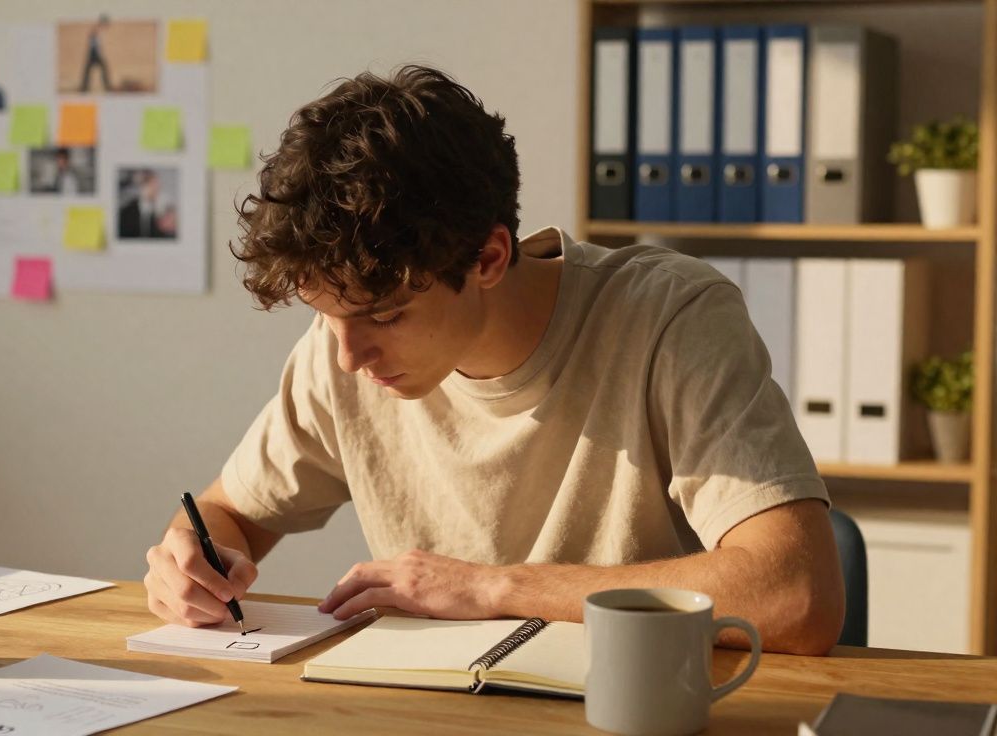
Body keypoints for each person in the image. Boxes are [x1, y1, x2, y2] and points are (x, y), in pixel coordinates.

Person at [142, 66, 845, 656]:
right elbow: (227, 511)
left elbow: (796, 593)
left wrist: (492, 589)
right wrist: (190, 560)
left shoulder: (670, 319)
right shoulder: (340, 354)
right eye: (324, 314)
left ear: (488, 257)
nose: (348, 355)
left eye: (383, 315)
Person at [117, 170, 176, 239]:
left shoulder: (163, 209)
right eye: (153, 186)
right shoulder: (128, 210)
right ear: (143, 186)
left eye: (158, 186)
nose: (157, 190)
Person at [78, 15, 112, 93]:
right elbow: (93, 39)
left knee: (90, 69)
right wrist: (98, 51)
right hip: (94, 52)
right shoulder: (97, 28)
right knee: (100, 68)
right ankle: (85, 87)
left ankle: (84, 87)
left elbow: (96, 41)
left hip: (94, 52)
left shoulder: (98, 29)